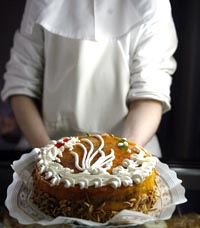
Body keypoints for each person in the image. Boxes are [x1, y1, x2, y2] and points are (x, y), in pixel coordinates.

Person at [1, 0, 177, 157]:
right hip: (47, 146)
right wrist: (51, 158)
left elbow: (150, 94)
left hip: (130, 148)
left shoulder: (152, 5)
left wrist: (119, 157)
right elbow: (21, 84)